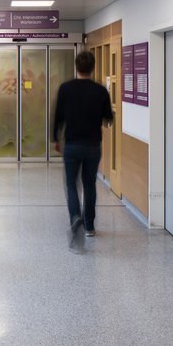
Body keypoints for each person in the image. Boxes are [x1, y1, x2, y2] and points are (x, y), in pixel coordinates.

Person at [51, 49, 114, 248]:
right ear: (93, 68)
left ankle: (75, 217)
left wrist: (56, 139)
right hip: (93, 145)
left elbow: (58, 117)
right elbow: (108, 118)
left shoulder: (65, 88)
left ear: (76, 67)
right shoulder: (101, 91)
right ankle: (89, 226)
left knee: (71, 184)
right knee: (89, 184)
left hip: (71, 144)